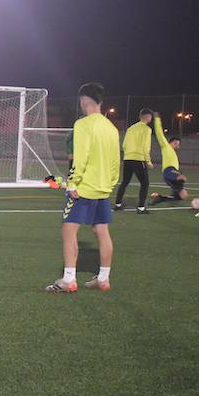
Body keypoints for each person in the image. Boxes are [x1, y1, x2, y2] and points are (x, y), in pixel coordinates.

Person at [46, 83, 120, 293]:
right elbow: (116, 161)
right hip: (103, 189)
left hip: (83, 189)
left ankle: (69, 279)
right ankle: (103, 279)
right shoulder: (111, 128)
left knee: (69, 231)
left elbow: (81, 157)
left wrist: (73, 183)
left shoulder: (83, 124)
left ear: (84, 100)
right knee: (102, 232)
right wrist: (110, 182)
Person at [113, 108, 154, 214]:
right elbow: (146, 146)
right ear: (148, 118)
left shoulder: (131, 128)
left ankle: (117, 204)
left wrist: (127, 155)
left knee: (125, 182)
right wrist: (148, 160)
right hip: (139, 159)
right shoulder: (146, 129)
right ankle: (141, 208)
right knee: (145, 183)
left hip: (128, 159)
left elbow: (124, 144)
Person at [149, 112, 188, 204]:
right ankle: (166, 196)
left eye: (178, 144)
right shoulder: (166, 146)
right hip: (169, 171)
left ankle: (160, 198)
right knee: (182, 178)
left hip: (170, 174)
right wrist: (157, 119)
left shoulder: (173, 153)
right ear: (169, 142)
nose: (177, 145)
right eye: (175, 143)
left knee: (182, 196)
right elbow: (159, 133)